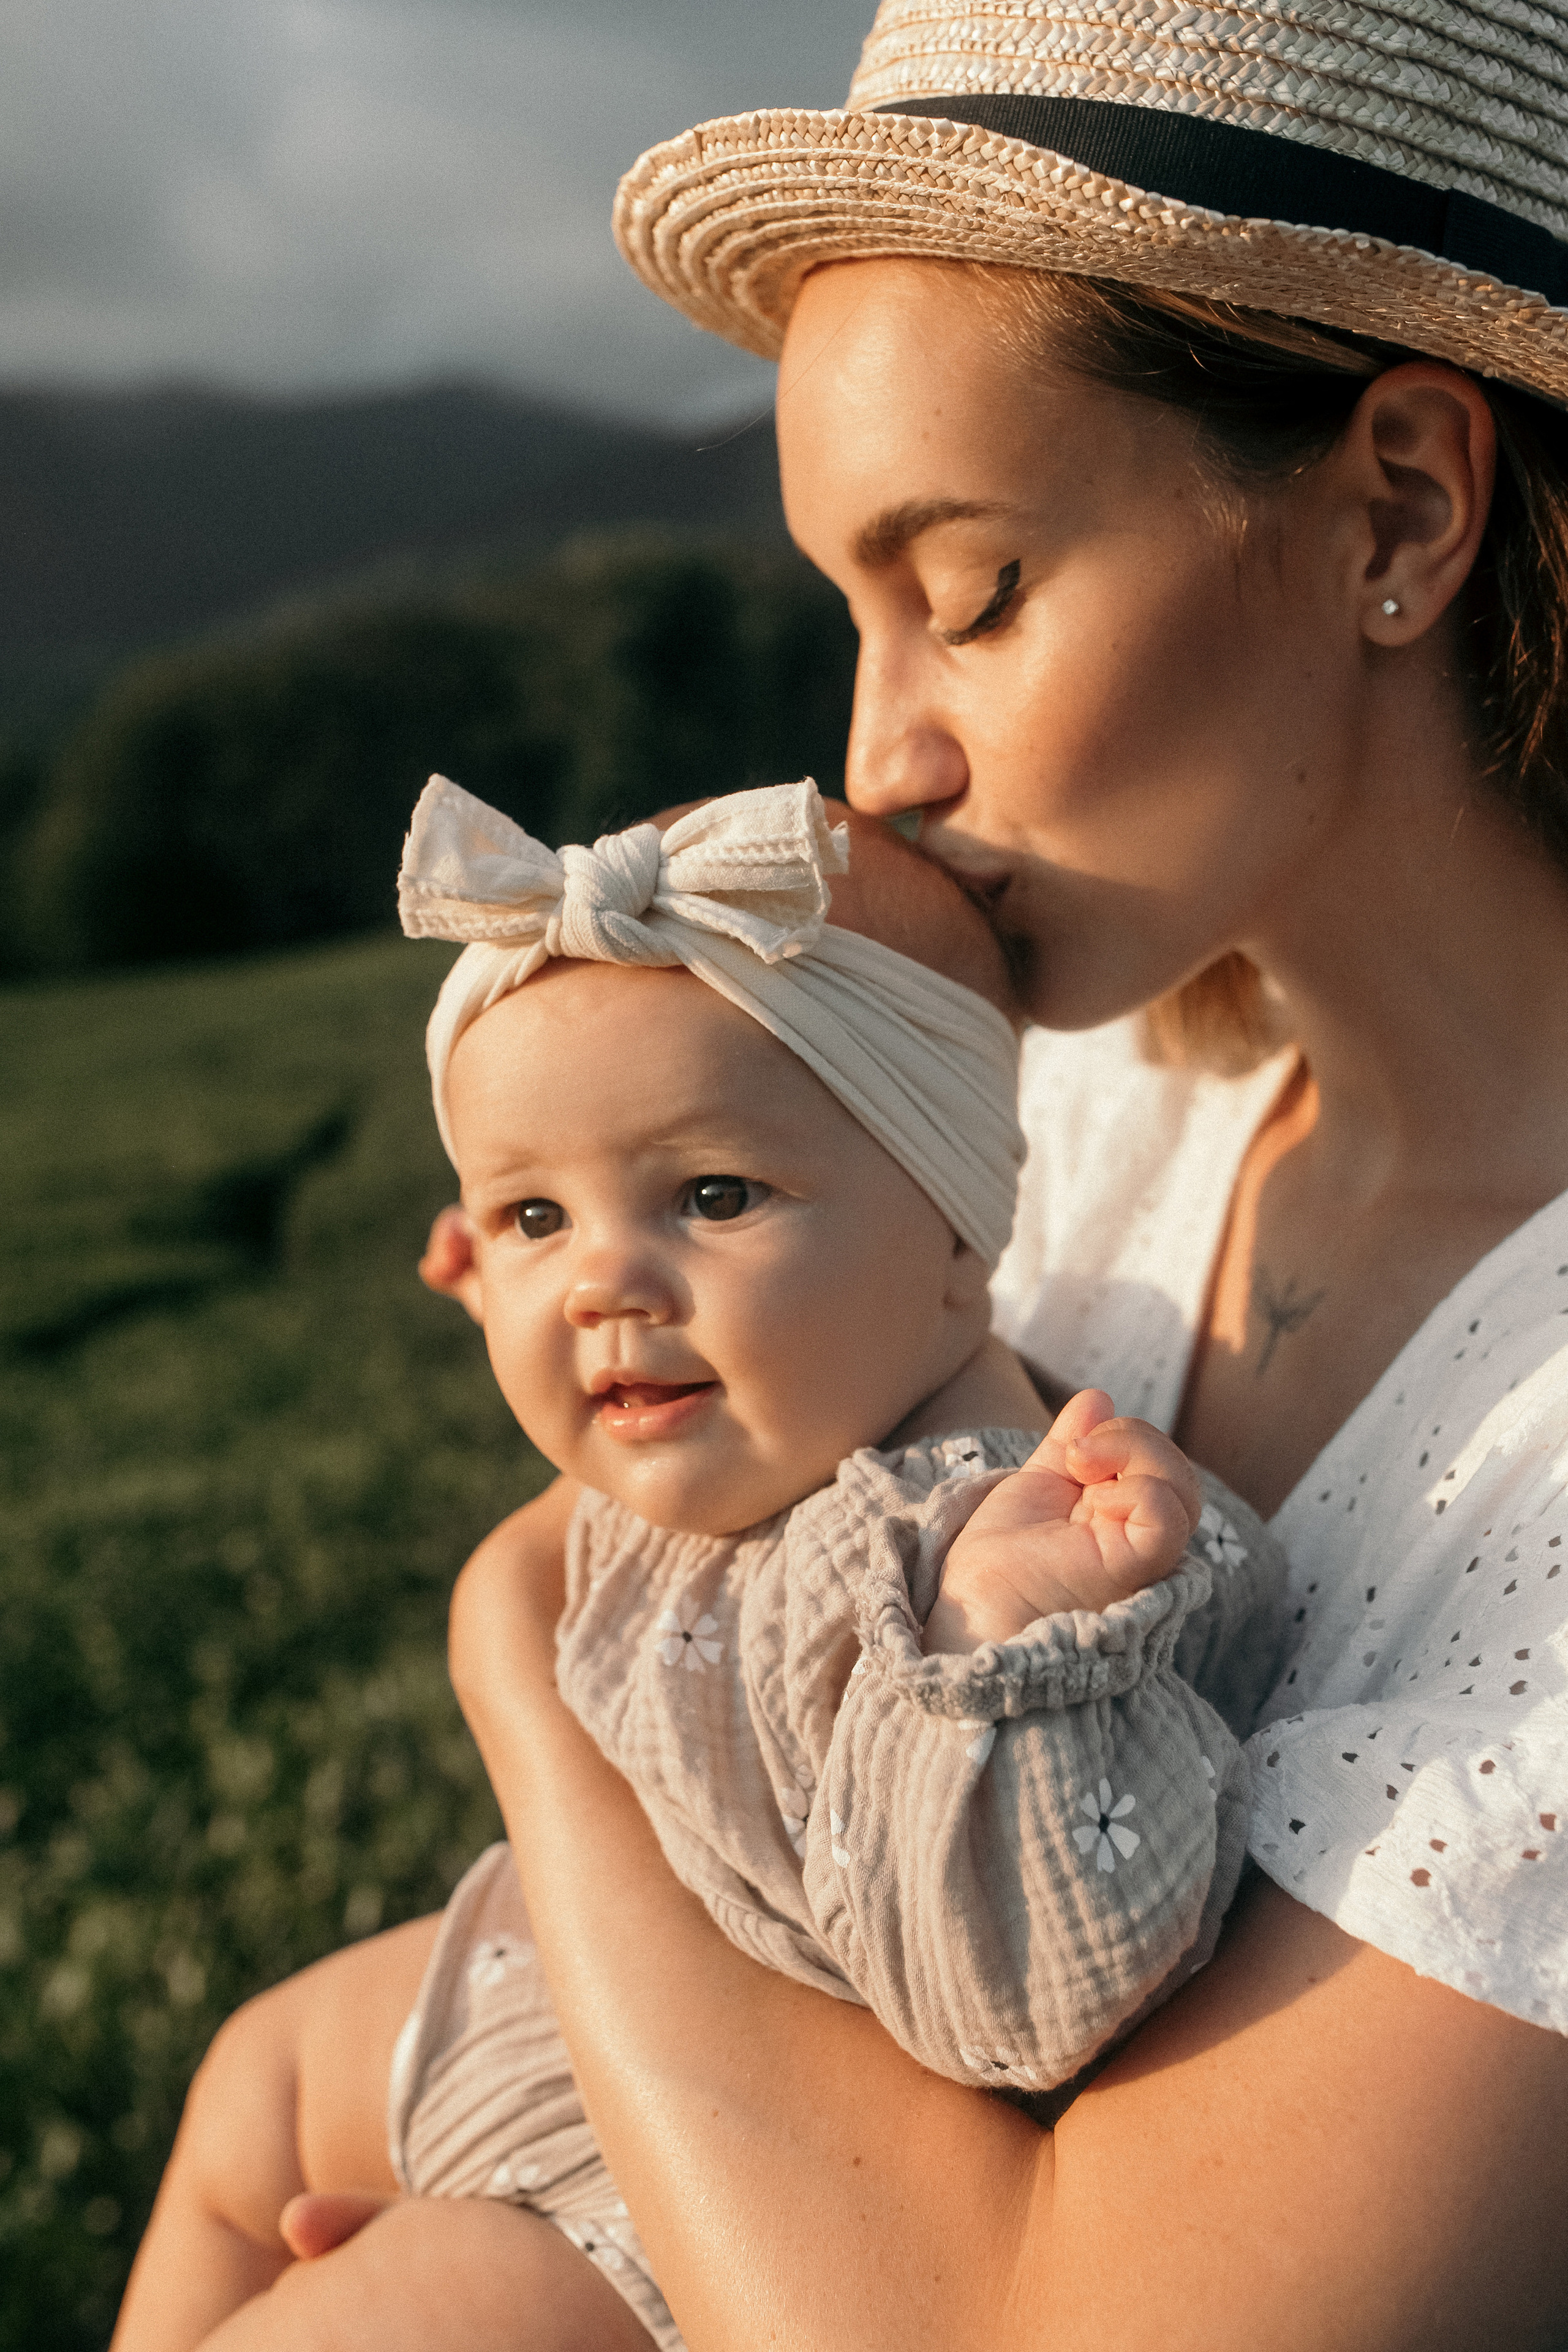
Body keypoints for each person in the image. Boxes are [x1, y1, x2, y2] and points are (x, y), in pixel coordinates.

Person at [125, 0, 1568, 2341]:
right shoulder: (1075, 1113)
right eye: (850, 609)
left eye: (972, 588)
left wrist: (519, 1652)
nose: (877, 756)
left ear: (1399, 506)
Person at [111, 774, 1285, 2351]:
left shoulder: (982, 1548)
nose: (602, 1289)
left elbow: (1025, 1998)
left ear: (953, 1237)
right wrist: (534, 1275)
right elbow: (668, 1307)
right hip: (564, 1985)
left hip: (684, 2210)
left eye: (710, 1195)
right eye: (535, 1214)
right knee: (254, 2071)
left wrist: (1002, 1657)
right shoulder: (805, 1382)